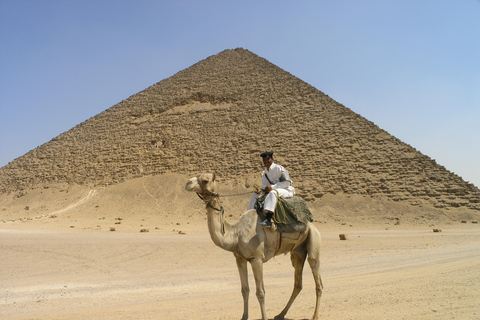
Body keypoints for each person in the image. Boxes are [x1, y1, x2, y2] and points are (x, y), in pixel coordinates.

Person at [247, 151, 295, 227]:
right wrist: (260, 189)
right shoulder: (264, 173)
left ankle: (268, 219)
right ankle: (248, 217)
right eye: (264, 160)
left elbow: (287, 183)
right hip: (273, 190)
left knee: (273, 193)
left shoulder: (279, 169)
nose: (266, 161)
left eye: (268, 159)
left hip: (286, 190)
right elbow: (265, 186)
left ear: (272, 159)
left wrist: (272, 187)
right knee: (254, 196)